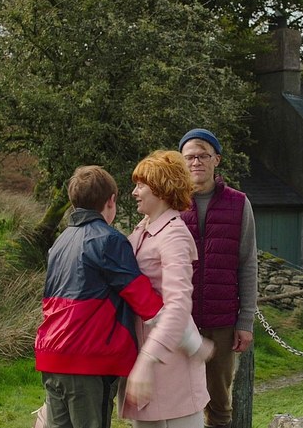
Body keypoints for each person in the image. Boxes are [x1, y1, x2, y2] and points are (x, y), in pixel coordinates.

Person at [34, 165, 165, 428]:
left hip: (52, 354)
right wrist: (179, 322)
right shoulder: (109, 240)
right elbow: (142, 298)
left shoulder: (60, 242)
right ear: (111, 200)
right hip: (88, 359)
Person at [119, 150, 211, 428]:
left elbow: (178, 307)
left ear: (160, 188)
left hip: (171, 367)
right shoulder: (141, 230)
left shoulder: (174, 235)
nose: (134, 192)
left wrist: (147, 360)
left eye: (141, 185)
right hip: (145, 365)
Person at [178, 129, 258, 428]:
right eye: (189, 157)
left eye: (203, 155)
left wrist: (245, 321)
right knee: (179, 398)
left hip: (222, 321)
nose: (196, 162)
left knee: (219, 403)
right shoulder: (171, 202)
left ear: (217, 160)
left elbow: (248, 264)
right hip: (180, 320)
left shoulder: (239, 203)